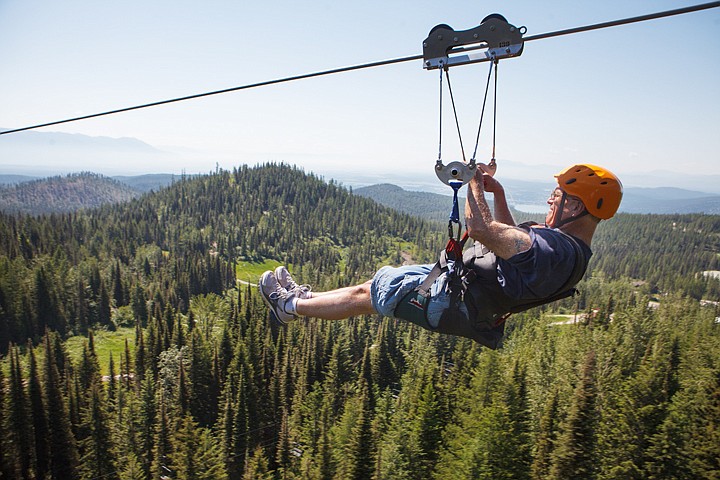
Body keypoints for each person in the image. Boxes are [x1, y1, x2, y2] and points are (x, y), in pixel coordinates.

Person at [259, 163, 622, 348]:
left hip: (450, 299)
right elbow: (512, 247)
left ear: (575, 205)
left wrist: (473, 180)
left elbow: (481, 230)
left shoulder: (558, 250)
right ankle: (304, 299)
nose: (549, 201)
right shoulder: (566, 250)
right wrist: (497, 194)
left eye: (556, 198)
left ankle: (288, 307)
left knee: (367, 295)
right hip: (458, 293)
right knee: (373, 285)